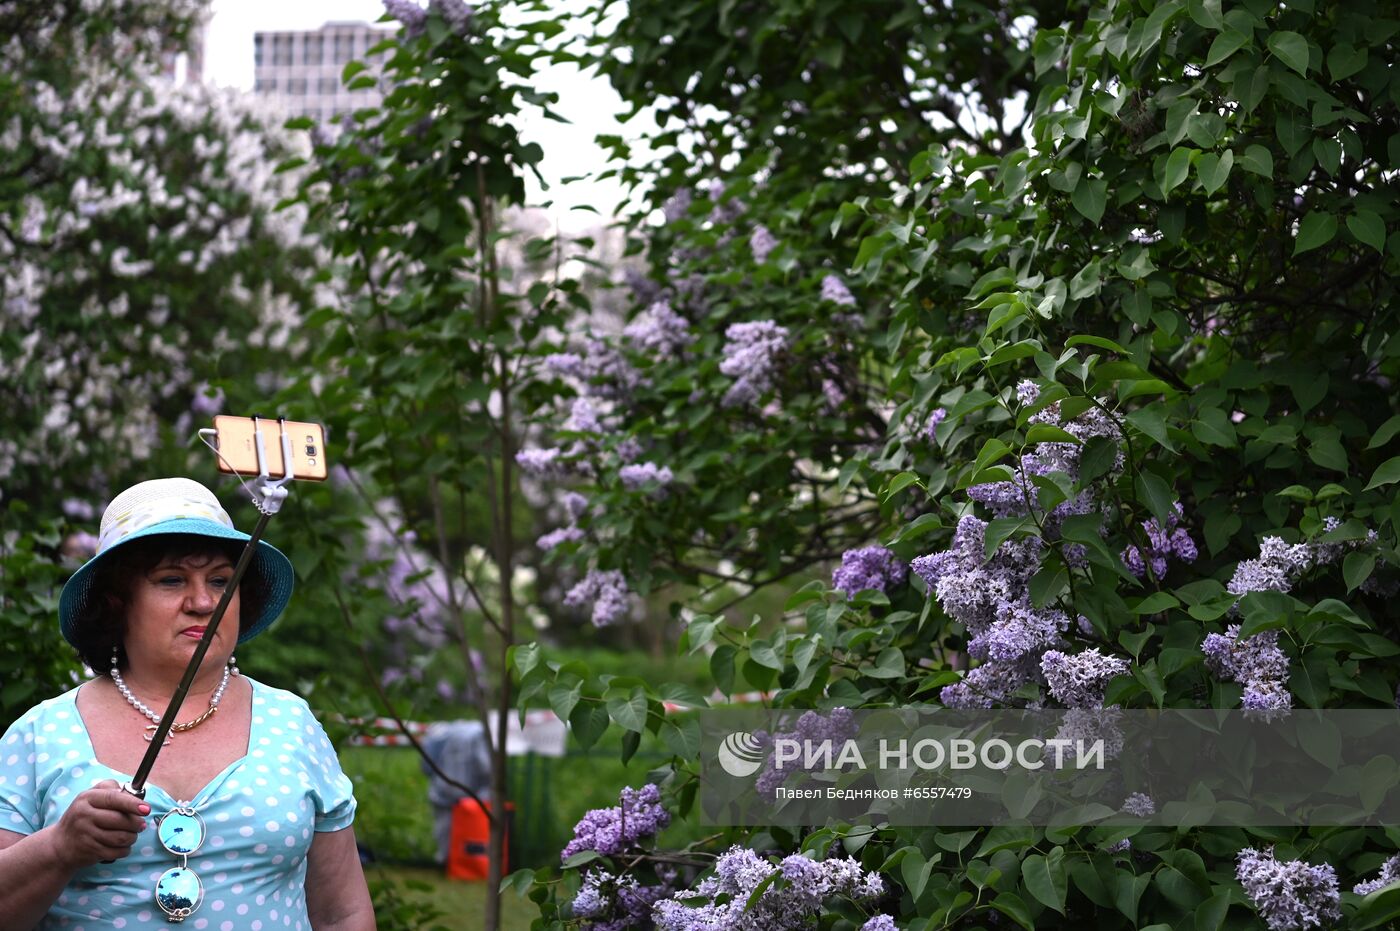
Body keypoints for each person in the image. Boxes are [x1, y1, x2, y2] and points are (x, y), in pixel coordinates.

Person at [0, 477, 375, 929]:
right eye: (172, 580)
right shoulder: (40, 734)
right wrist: (59, 848)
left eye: (220, 580)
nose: (202, 602)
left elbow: (343, 913)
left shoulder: (291, 722)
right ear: (118, 601)